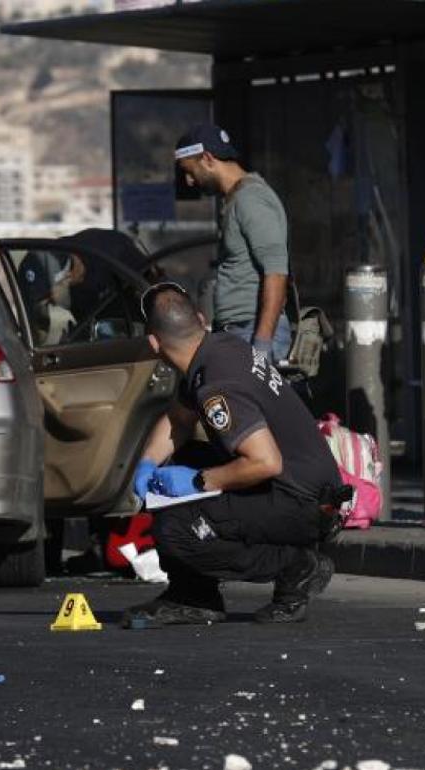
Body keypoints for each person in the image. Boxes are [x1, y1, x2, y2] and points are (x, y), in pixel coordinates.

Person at [123, 283, 345, 626]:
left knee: (176, 528)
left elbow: (265, 462)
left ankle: (296, 566)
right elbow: (178, 420)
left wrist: (199, 482)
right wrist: (147, 465)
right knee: (183, 463)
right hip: (309, 487)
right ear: (201, 320)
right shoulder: (219, 349)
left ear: (153, 343)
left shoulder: (216, 384)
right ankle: (193, 597)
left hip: (302, 501)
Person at [174, 122, 293, 362]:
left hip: (251, 332)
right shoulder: (235, 199)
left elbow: (276, 272)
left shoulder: (251, 199)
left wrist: (261, 346)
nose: (189, 181)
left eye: (190, 171)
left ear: (208, 159)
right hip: (237, 332)